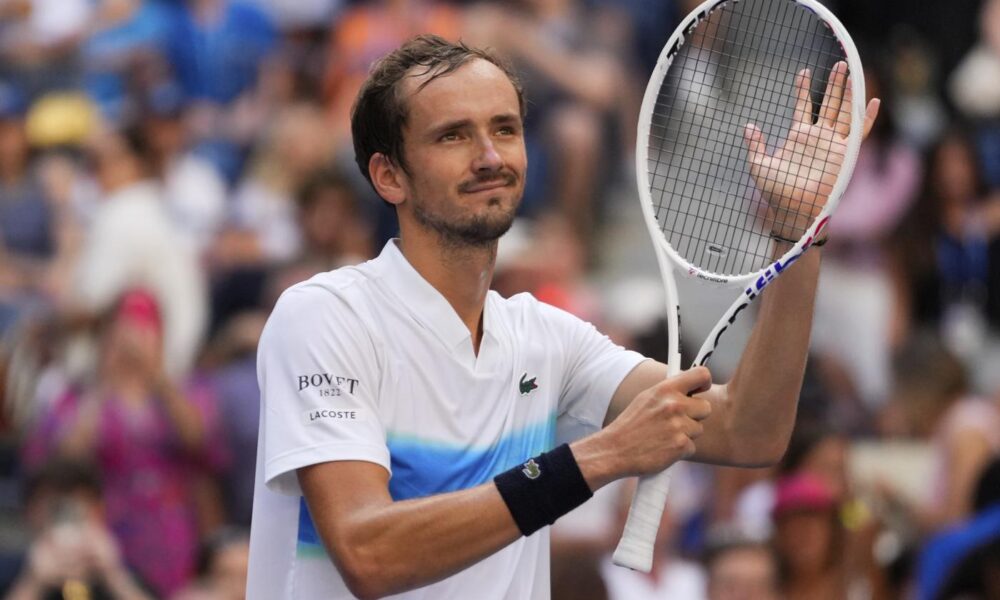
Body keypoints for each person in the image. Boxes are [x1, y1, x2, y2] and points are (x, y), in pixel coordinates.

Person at [246, 35, 879, 599]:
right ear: (388, 176)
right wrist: (599, 457)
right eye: (453, 135)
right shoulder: (325, 317)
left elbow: (748, 431)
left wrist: (798, 235)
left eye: (505, 128)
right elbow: (369, 553)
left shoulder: (545, 336)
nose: (490, 156)